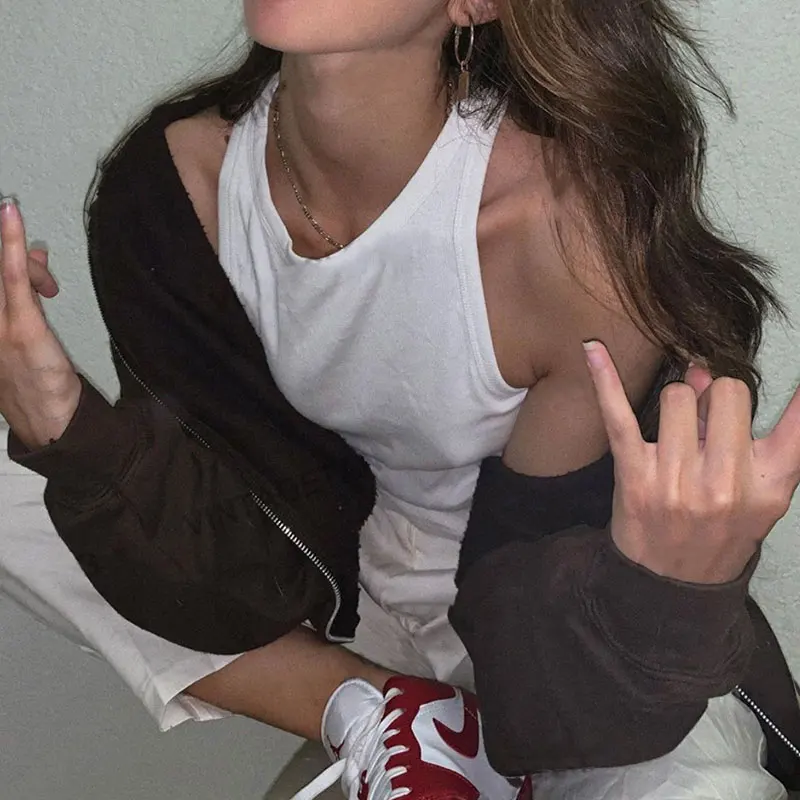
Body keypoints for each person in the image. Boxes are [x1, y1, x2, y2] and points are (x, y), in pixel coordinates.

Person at [1, 0, 799, 797]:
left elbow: (546, 682)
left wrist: (670, 593)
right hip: (336, 584)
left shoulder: (570, 237)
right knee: (21, 493)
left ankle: (438, 733)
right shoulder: (175, 188)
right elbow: (212, 553)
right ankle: (378, 711)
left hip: (562, 621)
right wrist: (55, 417)